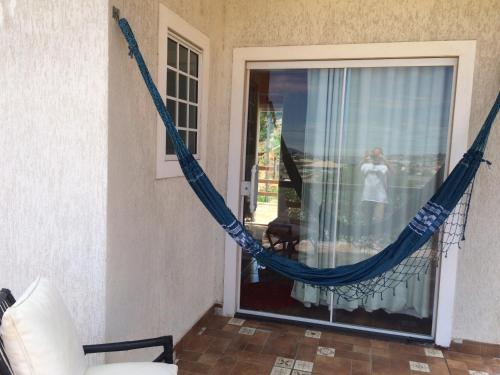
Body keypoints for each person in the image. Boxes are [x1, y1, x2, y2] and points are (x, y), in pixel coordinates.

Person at [359, 147, 392, 248]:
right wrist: (363, 159)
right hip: (367, 197)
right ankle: (366, 240)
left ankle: (376, 242)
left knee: (379, 221)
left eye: (378, 154)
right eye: (374, 154)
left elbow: (393, 172)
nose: (376, 156)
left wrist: (384, 159)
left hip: (380, 198)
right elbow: (356, 171)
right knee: (366, 220)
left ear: (381, 154)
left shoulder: (384, 167)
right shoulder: (366, 166)